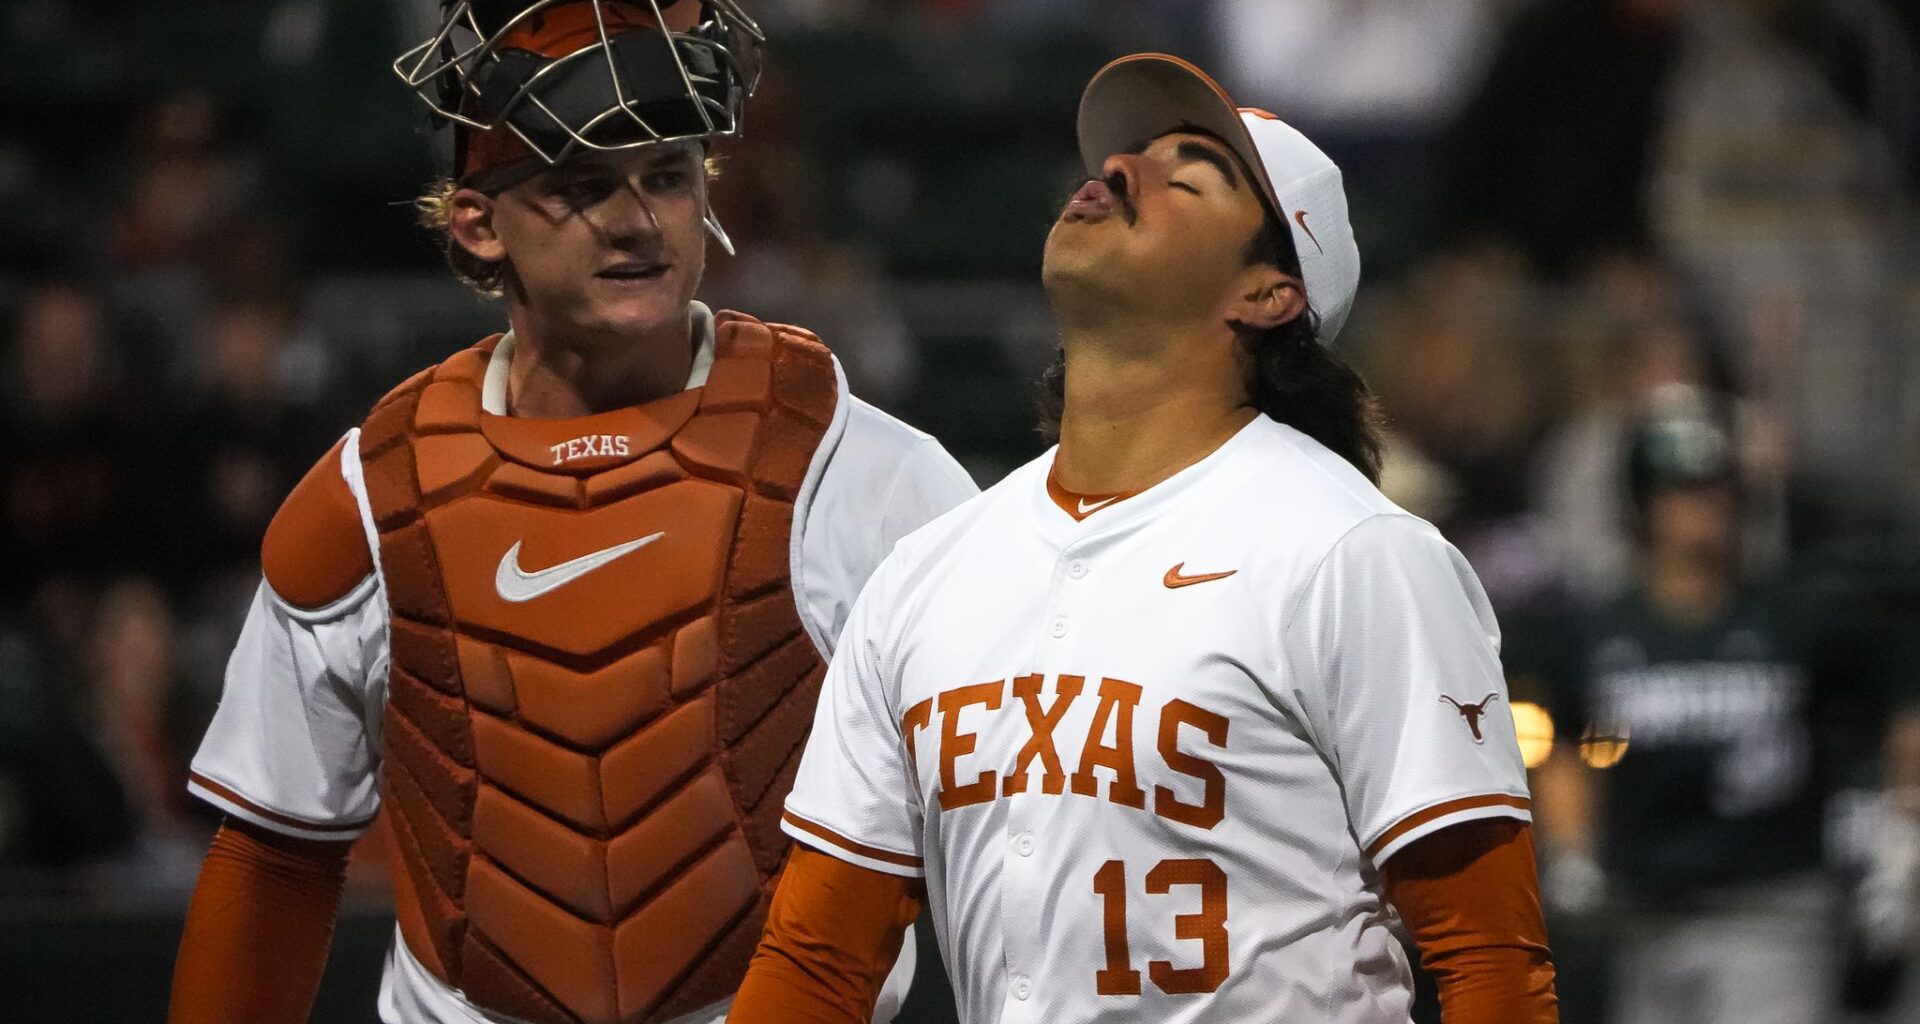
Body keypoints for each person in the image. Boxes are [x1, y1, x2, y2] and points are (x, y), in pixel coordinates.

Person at [166, 3, 976, 1023]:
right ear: (476, 221)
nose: (637, 219)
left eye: (669, 177)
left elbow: (1021, 818)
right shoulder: (374, 493)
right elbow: (275, 855)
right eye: (582, 185)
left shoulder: (869, 473)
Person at [727, 54, 1557, 1024]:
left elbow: (1493, 964)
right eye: (1128, 153)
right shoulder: (929, 570)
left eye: (1187, 172)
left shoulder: (1352, 552)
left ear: (1268, 293)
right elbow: (818, 964)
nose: (1121, 168)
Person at [1531, 385, 1877, 1024]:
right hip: (1644, 917)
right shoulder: (1602, 632)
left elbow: (1868, 724)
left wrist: (1880, 827)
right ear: (1642, 504)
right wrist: (1574, 852)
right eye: (1682, 488)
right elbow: (1574, 747)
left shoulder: (1793, 621)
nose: (1705, 505)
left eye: (1719, 487)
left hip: (1773, 910)